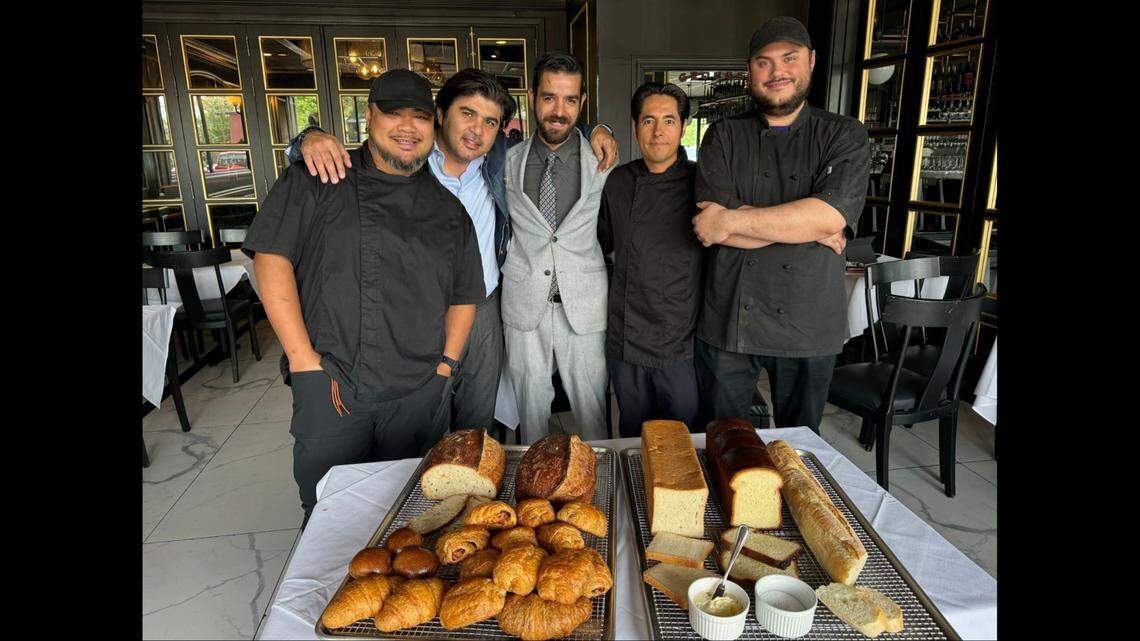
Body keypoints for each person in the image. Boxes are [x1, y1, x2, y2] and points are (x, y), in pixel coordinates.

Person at [287, 71, 619, 433]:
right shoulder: (407, 162)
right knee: (421, 418)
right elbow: (357, 154)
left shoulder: (496, 162)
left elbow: (556, 132)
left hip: (484, 308)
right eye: (467, 114)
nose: (477, 130)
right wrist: (307, 137)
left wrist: (597, 129)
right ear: (441, 113)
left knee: (478, 419)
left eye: (489, 121)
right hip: (417, 312)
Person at [243, 69, 487, 523]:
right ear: (370, 116)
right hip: (332, 384)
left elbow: (463, 296)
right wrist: (302, 362)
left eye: (419, 116)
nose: (407, 127)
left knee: (411, 516)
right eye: (393, 113)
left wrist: (445, 370)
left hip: (418, 391)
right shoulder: (317, 178)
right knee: (328, 513)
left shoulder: (449, 211)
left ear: (433, 125)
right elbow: (271, 261)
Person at [690, 16, 871, 434]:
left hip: (808, 323)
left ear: (810, 61)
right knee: (724, 443)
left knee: (801, 450)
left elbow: (828, 215)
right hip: (730, 318)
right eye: (764, 62)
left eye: (788, 58)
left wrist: (734, 221)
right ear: (749, 71)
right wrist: (805, 226)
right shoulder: (723, 135)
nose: (777, 72)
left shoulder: (843, 135)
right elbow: (709, 228)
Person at [501, 52, 614, 442]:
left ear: (582, 102)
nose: (558, 110)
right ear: (532, 97)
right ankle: (534, 497)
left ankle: (597, 492)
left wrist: (602, 127)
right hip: (524, 302)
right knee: (530, 414)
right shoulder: (505, 161)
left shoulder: (602, 159)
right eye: (549, 97)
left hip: (583, 305)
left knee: (593, 415)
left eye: (569, 99)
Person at [597, 82, 702, 437]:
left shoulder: (703, 184)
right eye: (648, 121)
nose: (658, 132)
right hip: (626, 337)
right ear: (635, 126)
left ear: (683, 127)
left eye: (669, 121)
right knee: (632, 435)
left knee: (680, 440)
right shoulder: (618, 182)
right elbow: (600, 242)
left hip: (681, 342)